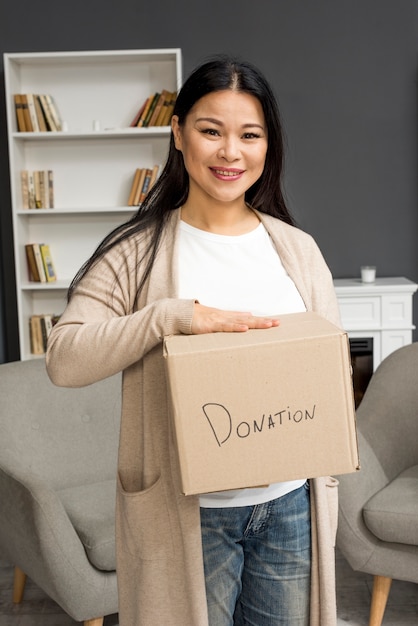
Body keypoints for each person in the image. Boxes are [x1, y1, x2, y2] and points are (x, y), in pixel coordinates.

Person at [46, 54, 341, 626]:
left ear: (267, 145)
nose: (230, 152)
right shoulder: (138, 252)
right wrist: (167, 318)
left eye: (249, 135)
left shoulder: (297, 251)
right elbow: (64, 359)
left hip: (289, 510)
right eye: (211, 131)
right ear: (178, 133)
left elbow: (326, 376)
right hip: (190, 514)